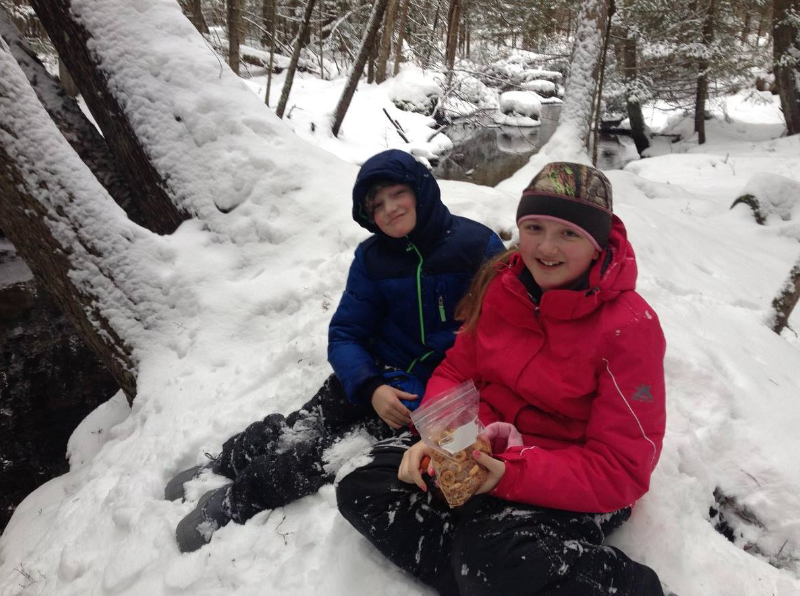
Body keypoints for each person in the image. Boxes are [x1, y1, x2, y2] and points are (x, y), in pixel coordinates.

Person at [336, 162, 668, 596]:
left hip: (568, 471)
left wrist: (509, 476)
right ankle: (483, 572)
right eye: (533, 227)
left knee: (492, 559)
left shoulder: (630, 327)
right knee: (365, 485)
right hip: (484, 444)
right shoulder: (503, 286)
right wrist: (440, 436)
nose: (546, 248)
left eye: (569, 233)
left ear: (597, 243)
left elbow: (622, 468)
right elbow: (457, 370)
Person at [166, 149, 505, 552]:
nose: (390, 209)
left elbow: (505, 335)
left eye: (398, 194)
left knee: (319, 456)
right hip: (371, 375)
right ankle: (224, 463)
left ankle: (237, 500)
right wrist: (370, 384)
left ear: (421, 190)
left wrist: (446, 407)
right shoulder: (372, 258)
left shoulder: (476, 245)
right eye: (376, 205)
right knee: (298, 426)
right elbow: (346, 332)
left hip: (422, 402)